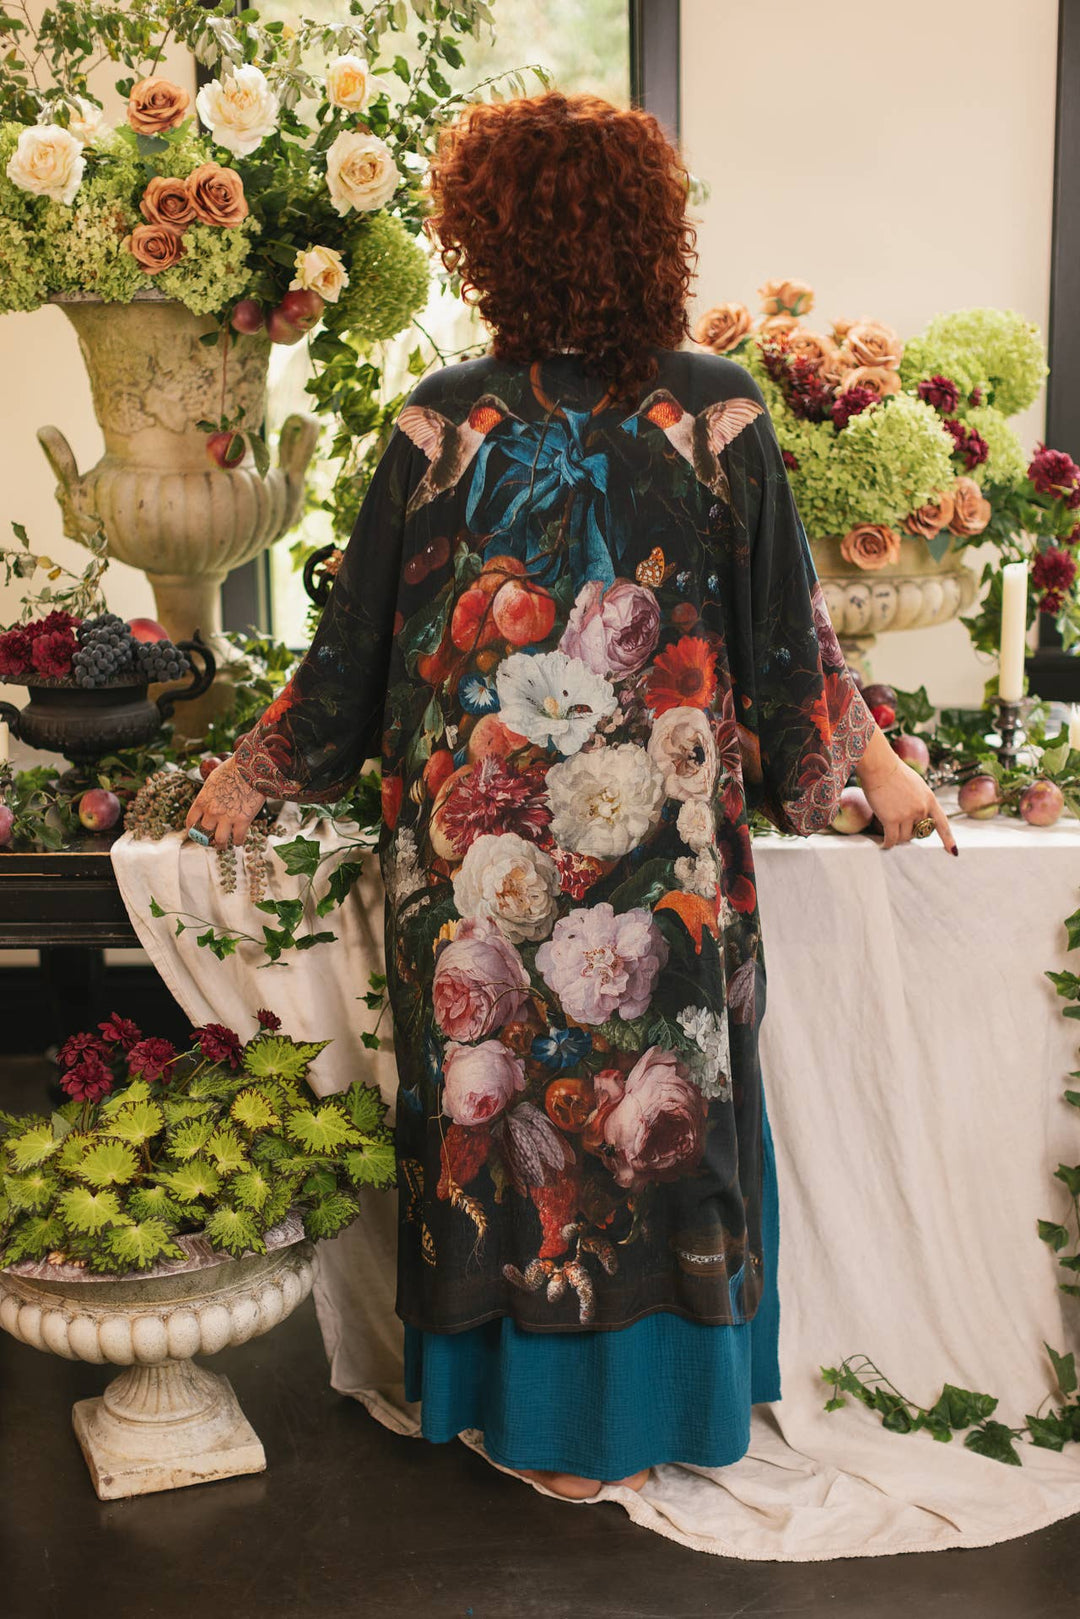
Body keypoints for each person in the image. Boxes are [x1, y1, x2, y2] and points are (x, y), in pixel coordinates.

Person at [186, 89, 956, 1502]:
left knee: (504, 1115)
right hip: (662, 854)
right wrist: (874, 763)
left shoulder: (446, 421)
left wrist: (253, 768)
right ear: (652, 232)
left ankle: (538, 1420)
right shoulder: (712, 408)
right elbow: (791, 638)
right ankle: (658, 1412)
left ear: (487, 241)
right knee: (657, 1108)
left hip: (478, 859)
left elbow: (350, 647)